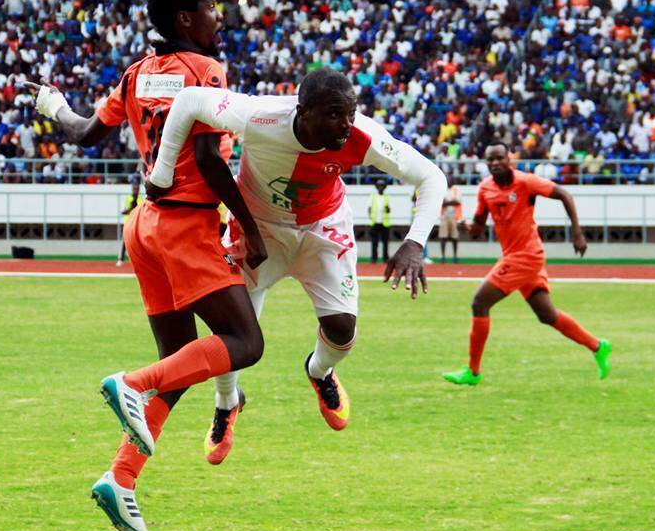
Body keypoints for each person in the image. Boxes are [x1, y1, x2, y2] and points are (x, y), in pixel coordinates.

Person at [31, 0, 268, 531]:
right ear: (185, 18)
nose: (220, 15)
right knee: (246, 343)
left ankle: (121, 478)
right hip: (186, 224)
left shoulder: (137, 73)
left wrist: (54, 106)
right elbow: (211, 158)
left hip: (143, 226)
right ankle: (130, 383)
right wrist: (249, 224)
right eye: (212, 6)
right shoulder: (205, 71)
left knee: (183, 364)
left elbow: (87, 132)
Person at [146, 67, 446, 463]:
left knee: (342, 328)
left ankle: (319, 372)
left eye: (350, 113)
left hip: (322, 230)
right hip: (258, 231)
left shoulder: (362, 136)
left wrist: (414, 244)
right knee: (232, 334)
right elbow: (189, 101)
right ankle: (226, 403)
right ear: (303, 112)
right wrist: (162, 172)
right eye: (335, 114)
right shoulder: (259, 116)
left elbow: (432, 177)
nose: (346, 124)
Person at [442, 143, 611, 386]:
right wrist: (467, 227)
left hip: (526, 256)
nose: (495, 163)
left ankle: (473, 372)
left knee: (479, 302)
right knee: (547, 315)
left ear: (510, 158)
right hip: (516, 256)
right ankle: (597, 346)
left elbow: (564, 194)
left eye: (500, 158)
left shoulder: (526, 182)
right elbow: (479, 227)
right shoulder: (485, 189)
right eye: (491, 160)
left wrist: (577, 233)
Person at [117, 178, 141, 267]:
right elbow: (126, 210)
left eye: (137, 188)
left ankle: (137, 260)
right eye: (134, 188)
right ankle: (121, 259)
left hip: (136, 224)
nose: (136, 190)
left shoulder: (140, 198)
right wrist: (131, 207)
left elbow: (139, 210)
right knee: (124, 242)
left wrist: (134, 207)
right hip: (128, 223)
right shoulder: (128, 198)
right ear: (132, 189)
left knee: (137, 243)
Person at [368, 178, 391, 264]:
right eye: (379, 186)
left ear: (384, 187)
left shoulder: (386, 197)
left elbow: (389, 210)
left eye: (382, 186)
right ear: (376, 187)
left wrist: (388, 209)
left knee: (385, 242)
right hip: (375, 223)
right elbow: (369, 208)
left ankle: (386, 258)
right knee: (374, 242)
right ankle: (374, 258)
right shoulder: (373, 197)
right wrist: (370, 217)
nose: (380, 187)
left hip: (384, 223)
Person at [439, 176, 462, 263]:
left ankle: (455, 257)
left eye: (450, 179)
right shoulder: (442, 189)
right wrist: (451, 202)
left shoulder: (456, 189)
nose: (449, 181)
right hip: (444, 215)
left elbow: (458, 201)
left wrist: (446, 203)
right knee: (443, 237)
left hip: (454, 216)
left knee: (455, 237)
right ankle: (443, 257)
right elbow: (440, 202)